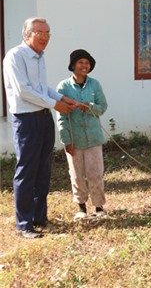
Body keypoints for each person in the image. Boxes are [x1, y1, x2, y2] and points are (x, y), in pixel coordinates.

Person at [2, 17, 77, 239]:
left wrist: (63, 97)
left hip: (44, 118)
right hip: (27, 120)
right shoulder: (16, 56)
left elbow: (42, 88)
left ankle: (39, 217)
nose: (44, 37)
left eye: (47, 33)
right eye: (39, 33)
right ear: (27, 35)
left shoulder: (40, 57)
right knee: (27, 170)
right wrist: (56, 105)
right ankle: (24, 224)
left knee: (43, 169)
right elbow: (24, 91)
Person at [56, 49, 108, 221]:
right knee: (77, 174)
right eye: (80, 62)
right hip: (75, 138)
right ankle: (81, 208)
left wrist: (90, 106)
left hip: (93, 137)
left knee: (95, 173)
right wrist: (66, 140)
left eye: (87, 63)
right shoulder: (63, 87)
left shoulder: (95, 85)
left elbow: (103, 107)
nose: (84, 66)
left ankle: (99, 207)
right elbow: (61, 117)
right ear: (73, 65)